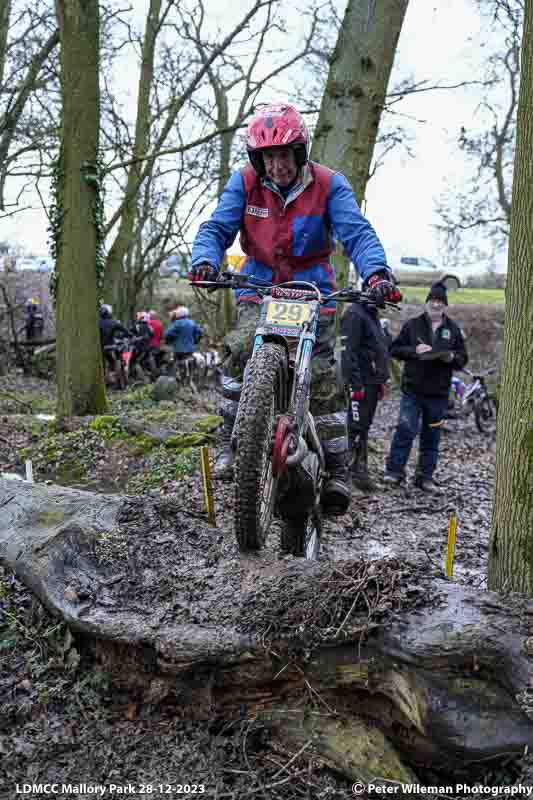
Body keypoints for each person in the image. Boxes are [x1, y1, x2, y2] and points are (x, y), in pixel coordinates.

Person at [188, 102, 400, 514]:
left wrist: (377, 275)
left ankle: (337, 468)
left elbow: (357, 234)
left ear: (299, 152)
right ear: (257, 159)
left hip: (313, 291)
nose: (277, 165)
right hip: (259, 286)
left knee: (321, 376)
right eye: (268, 157)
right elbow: (216, 227)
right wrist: (205, 261)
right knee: (239, 351)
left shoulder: (330, 184)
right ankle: (230, 442)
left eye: (284, 155)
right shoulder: (245, 182)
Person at [384, 281, 468, 492]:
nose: (436, 304)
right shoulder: (412, 325)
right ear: (427, 302)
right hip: (412, 389)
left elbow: (463, 358)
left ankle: (425, 477)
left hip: (438, 393)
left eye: (440, 301)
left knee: (432, 436)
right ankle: (394, 472)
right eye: (433, 300)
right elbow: (395, 350)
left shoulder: (453, 329)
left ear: (445, 305)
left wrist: (452, 358)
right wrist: (414, 351)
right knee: (405, 429)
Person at [341, 300, 390, 491]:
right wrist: (355, 383)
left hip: (372, 381)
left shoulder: (372, 314)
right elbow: (348, 351)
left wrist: (381, 379)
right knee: (354, 427)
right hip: (360, 381)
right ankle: (346, 477)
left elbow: (378, 349)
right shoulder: (355, 314)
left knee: (363, 427)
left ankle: (360, 472)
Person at [99, 304, 129, 370]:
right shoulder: (114, 322)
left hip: (101, 346)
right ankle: (121, 364)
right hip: (111, 345)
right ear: (109, 312)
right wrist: (129, 335)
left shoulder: (98, 322)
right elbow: (125, 330)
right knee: (121, 347)